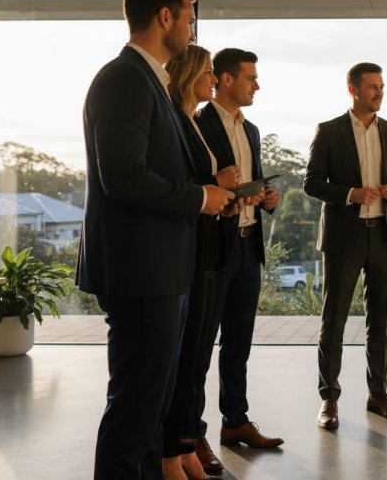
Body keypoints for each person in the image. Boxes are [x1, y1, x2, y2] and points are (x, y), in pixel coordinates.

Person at [77, 0, 233, 480]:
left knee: (151, 414)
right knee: (135, 411)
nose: (193, 31)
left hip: (162, 270)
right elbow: (123, 177)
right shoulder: (124, 78)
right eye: (189, 18)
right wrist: (200, 197)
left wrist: (205, 195)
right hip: (140, 271)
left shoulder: (152, 82)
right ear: (165, 17)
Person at [304, 62, 387, 429]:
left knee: (380, 321)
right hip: (343, 238)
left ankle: (378, 394)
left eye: (381, 86)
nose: (379, 93)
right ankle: (329, 399)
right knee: (333, 320)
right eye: (372, 87)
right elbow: (311, 183)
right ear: (353, 90)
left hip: (384, 235)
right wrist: (351, 194)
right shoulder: (329, 131)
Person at [195, 48, 284, 451]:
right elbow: (196, 183)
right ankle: (191, 434)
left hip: (249, 247)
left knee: (238, 344)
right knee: (199, 346)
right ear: (226, 79)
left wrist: (267, 197)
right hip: (214, 248)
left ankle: (235, 422)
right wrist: (220, 184)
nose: (257, 86)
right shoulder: (198, 123)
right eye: (251, 78)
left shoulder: (252, 131)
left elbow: (253, 180)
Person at [161, 45, 239, 480]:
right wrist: (215, 183)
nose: (213, 78)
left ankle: (186, 448)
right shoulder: (178, 120)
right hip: (188, 253)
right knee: (183, 363)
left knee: (194, 362)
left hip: (209, 248)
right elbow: (181, 185)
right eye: (208, 72)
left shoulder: (191, 120)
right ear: (190, 74)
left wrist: (226, 199)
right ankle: (171, 456)